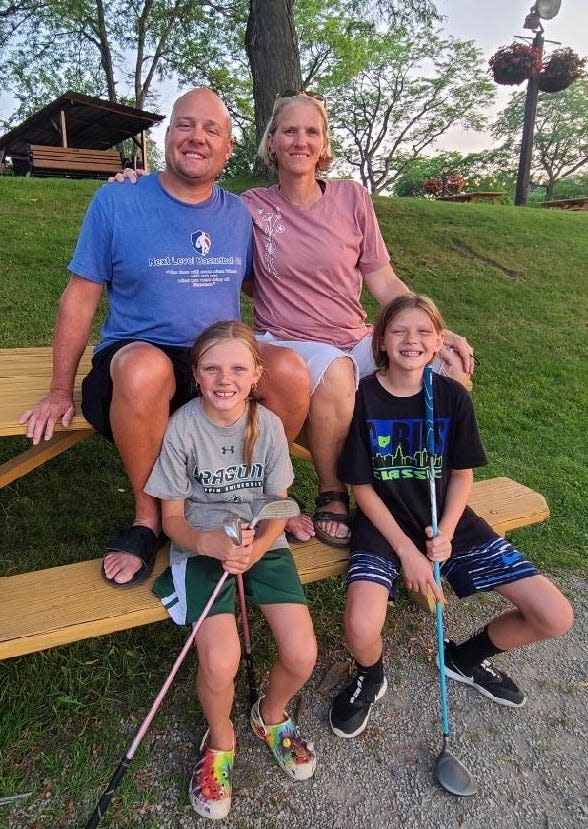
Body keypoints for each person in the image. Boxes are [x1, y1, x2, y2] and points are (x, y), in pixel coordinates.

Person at [18, 87, 310, 586]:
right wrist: (59, 388)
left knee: (288, 370)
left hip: (212, 360)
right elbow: (80, 296)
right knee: (143, 368)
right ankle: (149, 518)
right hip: (137, 355)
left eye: (211, 130)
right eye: (185, 125)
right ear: (168, 134)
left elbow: (279, 283)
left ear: (228, 146)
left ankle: (257, 498)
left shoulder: (239, 215)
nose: (197, 137)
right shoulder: (118, 199)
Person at [329, 293, 573, 739]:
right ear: (380, 340)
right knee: (361, 626)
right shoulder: (362, 397)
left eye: (424, 332)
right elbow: (361, 488)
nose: (411, 340)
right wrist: (409, 553)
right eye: (399, 330)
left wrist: (444, 531)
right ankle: (371, 675)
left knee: (555, 615)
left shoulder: (451, 397)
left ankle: (463, 658)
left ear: (439, 341)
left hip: (448, 520)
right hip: (385, 528)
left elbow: (461, 476)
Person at [240, 91, 476, 548]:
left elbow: (383, 281)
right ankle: (332, 492)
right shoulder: (252, 206)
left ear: (323, 142)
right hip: (290, 341)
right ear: (272, 141)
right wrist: (135, 180)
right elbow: (199, 216)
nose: (300, 141)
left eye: (312, 131)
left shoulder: (351, 197)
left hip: (355, 334)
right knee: (337, 372)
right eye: (289, 131)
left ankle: (420, 490)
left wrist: (437, 332)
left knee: (448, 372)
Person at [145, 320, 317, 819]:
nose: (226, 378)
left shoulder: (269, 427)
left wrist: (259, 549)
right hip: (201, 547)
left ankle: (271, 717)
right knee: (221, 662)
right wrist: (207, 544)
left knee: (302, 654)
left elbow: (280, 505)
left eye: (239, 368)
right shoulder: (182, 427)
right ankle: (220, 743)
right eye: (212, 367)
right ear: (195, 374)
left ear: (257, 374)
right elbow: (172, 519)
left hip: (262, 543)